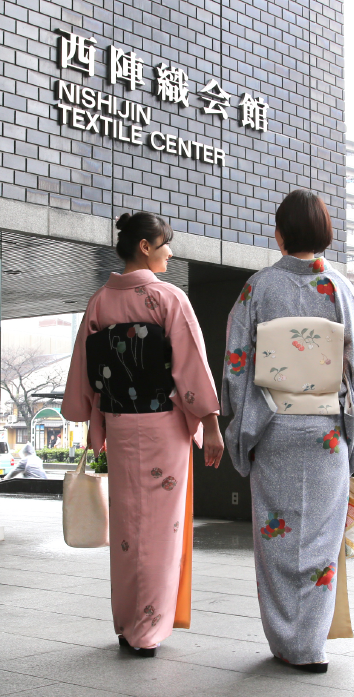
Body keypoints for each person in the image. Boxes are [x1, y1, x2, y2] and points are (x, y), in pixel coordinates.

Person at [222, 189, 354, 672]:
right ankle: (310, 647)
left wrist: (240, 424)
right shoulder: (341, 288)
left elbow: (236, 365)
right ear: (325, 232)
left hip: (272, 427)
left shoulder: (259, 287)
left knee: (276, 538)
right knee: (318, 543)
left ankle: (285, 641)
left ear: (281, 233)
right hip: (326, 431)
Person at [62, 211, 223, 657]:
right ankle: (146, 631)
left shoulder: (100, 302)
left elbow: (87, 368)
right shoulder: (168, 298)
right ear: (146, 247)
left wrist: (92, 416)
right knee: (158, 530)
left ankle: (127, 622)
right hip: (163, 427)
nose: (171, 251)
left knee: (128, 531)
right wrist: (209, 423)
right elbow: (191, 364)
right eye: (165, 243)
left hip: (120, 422)